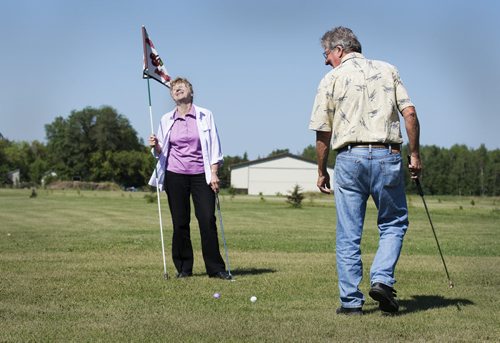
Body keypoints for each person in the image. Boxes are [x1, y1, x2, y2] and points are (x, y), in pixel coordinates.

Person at [309, 27, 422, 315]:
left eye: (326, 54)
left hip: (349, 158)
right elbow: (409, 113)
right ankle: (382, 279)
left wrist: (321, 170)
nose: (325, 61)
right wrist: (415, 154)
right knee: (393, 223)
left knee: (348, 233)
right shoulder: (388, 69)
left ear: (339, 50)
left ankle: (350, 304)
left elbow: (323, 131)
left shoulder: (331, 78)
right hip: (387, 155)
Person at [148, 77, 231, 280]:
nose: (177, 89)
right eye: (174, 89)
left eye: (181, 87)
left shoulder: (205, 115)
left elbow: (214, 146)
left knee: (206, 219)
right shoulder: (166, 119)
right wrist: (155, 146)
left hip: (201, 175)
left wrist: (213, 173)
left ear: (191, 92)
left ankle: (215, 268)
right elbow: (160, 152)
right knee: (180, 222)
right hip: (175, 175)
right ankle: (184, 268)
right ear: (172, 96)